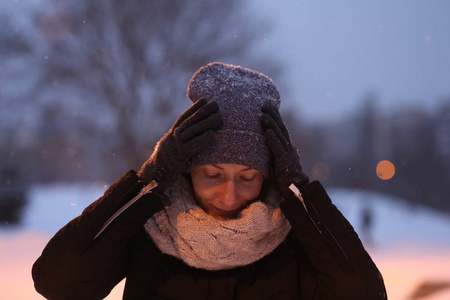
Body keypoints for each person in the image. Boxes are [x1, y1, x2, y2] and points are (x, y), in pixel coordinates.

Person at [32, 62, 387, 300]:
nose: (229, 193)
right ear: (186, 170)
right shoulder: (149, 230)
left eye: (248, 177)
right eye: (212, 174)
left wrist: (301, 193)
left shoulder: (294, 239)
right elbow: (58, 282)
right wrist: (145, 185)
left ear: (269, 177)